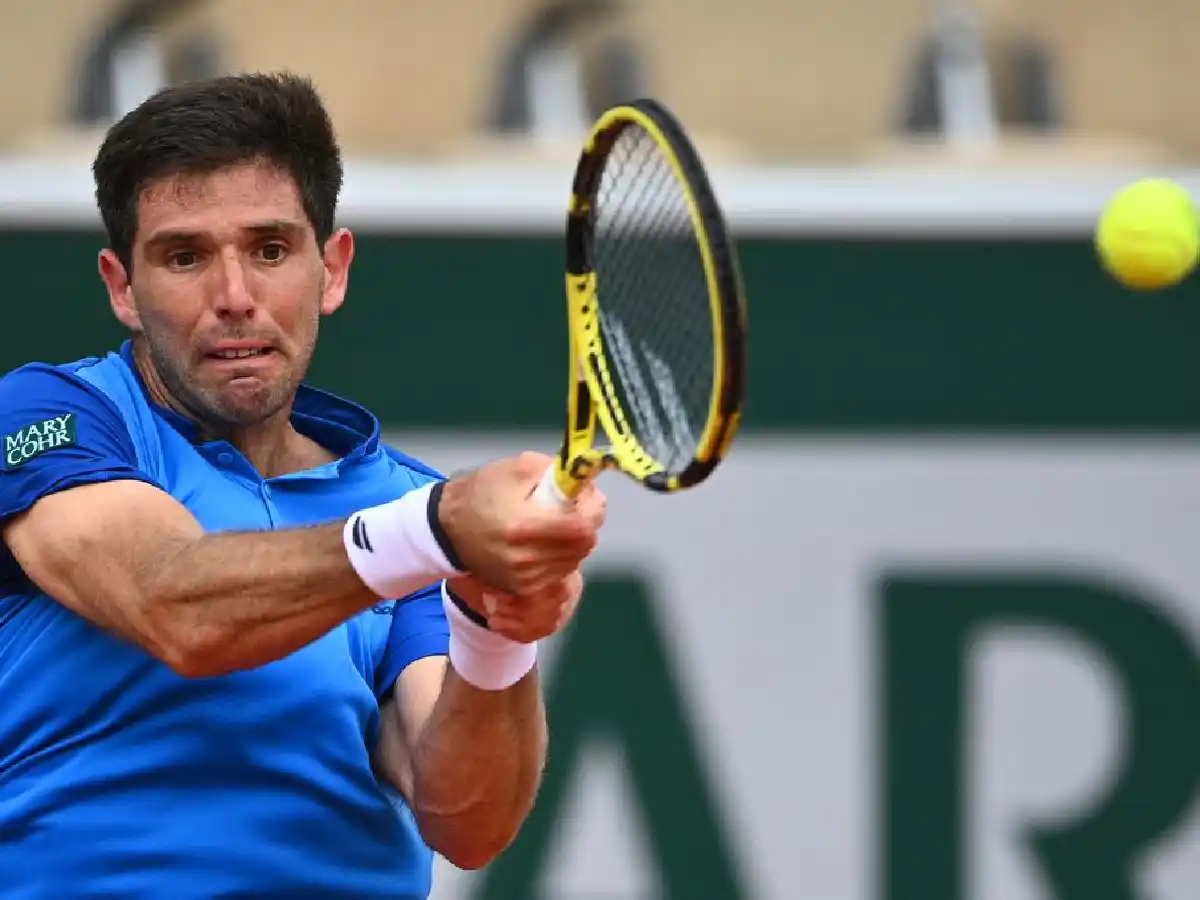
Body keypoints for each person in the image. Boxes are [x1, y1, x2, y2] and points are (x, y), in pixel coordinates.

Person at [0, 71, 606, 899]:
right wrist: (435, 531)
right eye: (184, 257)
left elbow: (466, 820)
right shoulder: (50, 416)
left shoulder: (409, 500)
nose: (235, 298)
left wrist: (498, 635)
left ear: (332, 269)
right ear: (121, 288)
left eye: (271, 249)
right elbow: (175, 606)